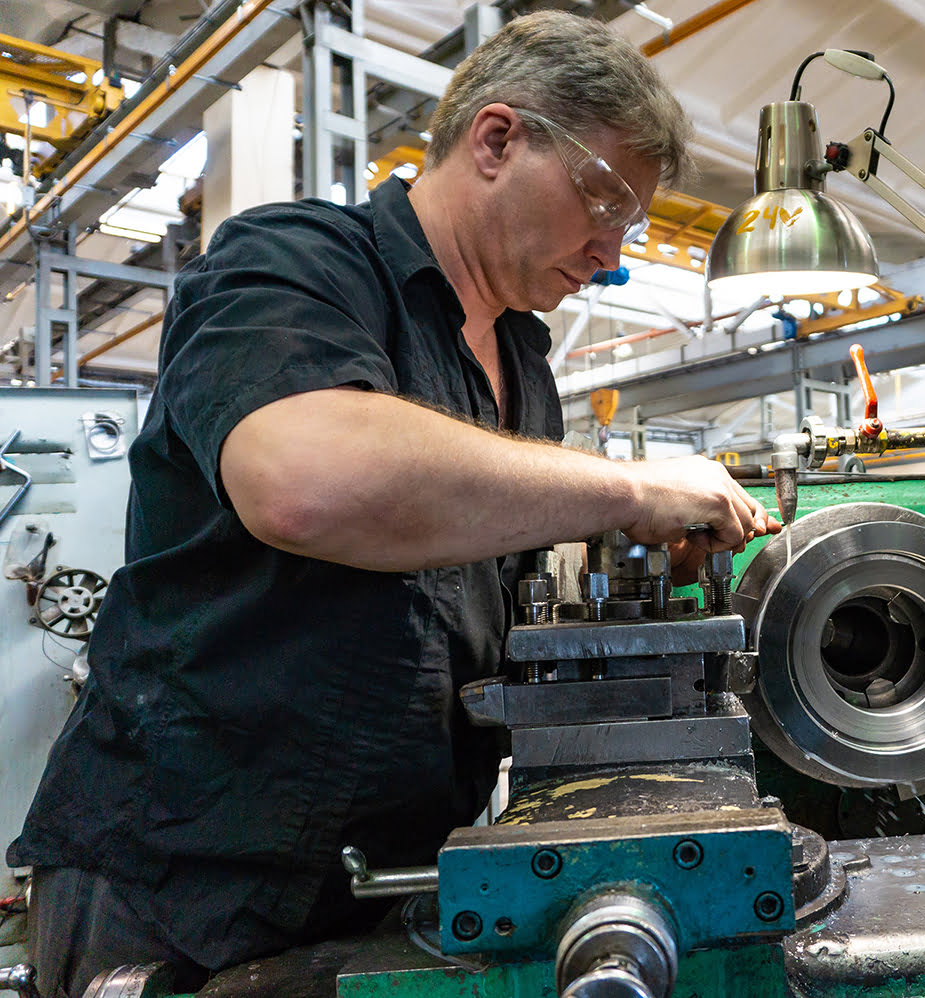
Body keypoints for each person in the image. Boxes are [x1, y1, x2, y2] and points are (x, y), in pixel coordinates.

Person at [8, 11, 778, 996]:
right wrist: (625, 485)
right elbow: (307, 480)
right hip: (189, 885)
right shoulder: (296, 264)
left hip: (399, 879)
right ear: (498, 139)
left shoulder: (526, 367)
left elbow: (475, 574)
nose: (615, 252)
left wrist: (646, 566)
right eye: (606, 199)